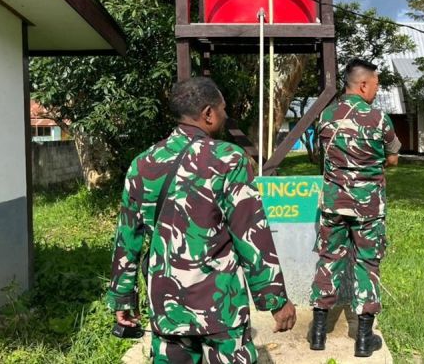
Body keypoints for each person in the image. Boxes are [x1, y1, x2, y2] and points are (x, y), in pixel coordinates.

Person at [106, 77, 296, 364]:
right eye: (222, 109)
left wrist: (122, 297)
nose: (224, 115)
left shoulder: (142, 163)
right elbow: (250, 234)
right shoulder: (228, 159)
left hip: (167, 308)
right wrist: (275, 300)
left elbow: (127, 238)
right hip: (221, 307)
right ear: (208, 113)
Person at [309, 58, 401, 358]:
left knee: (329, 260)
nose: (376, 90)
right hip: (368, 207)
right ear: (363, 85)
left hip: (333, 204)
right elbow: (393, 158)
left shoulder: (326, 116)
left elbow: (324, 155)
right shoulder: (378, 118)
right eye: (375, 84)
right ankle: (363, 338)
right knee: (367, 264)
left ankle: (318, 333)